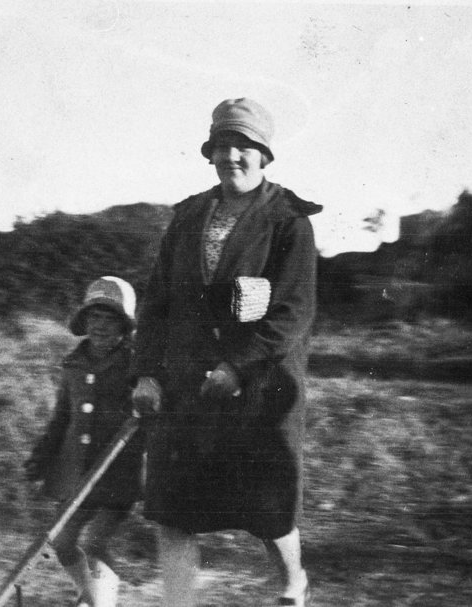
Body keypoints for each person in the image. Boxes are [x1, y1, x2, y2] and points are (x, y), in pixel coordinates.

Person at [129, 98, 322, 607]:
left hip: (260, 386)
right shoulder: (189, 216)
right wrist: (146, 373)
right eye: (222, 146)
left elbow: (293, 312)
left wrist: (238, 366)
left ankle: (290, 587)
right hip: (185, 384)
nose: (231, 156)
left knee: (267, 507)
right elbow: (157, 302)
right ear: (210, 154)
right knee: (171, 507)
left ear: (263, 155)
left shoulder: (289, 221)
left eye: (243, 146)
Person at [24, 276, 144, 607]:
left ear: (124, 326)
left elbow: (151, 412)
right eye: (94, 317)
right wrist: (40, 459)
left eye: (110, 319)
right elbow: (62, 419)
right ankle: (91, 595)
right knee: (62, 541)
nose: (101, 326)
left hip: (118, 471)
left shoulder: (135, 363)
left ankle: (103, 598)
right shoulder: (73, 364)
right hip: (76, 472)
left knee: (95, 541)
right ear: (84, 321)